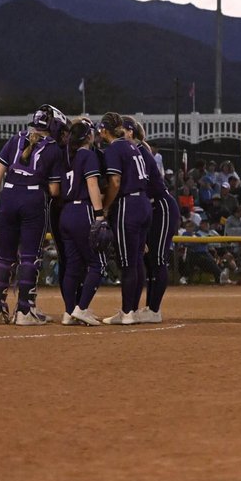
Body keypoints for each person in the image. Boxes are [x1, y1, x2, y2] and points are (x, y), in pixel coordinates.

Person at [0, 105, 67, 326]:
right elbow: (55, 190)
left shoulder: (15, 140)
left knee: (4, 257)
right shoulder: (54, 149)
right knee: (29, 256)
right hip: (33, 200)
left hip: (8, 197)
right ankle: (24, 311)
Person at [97, 111, 152, 326]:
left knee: (128, 262)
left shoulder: (114, 148)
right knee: (137, 260)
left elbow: (116, 182)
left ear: (104, 130)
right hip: (143, 203)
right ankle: (133, 310)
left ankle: (127, 312)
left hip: (129, 204)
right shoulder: (132, 145)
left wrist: (106, 207)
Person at [123, 116, 180, 323]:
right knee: (147, 259)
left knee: (158, 259)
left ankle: (154, 310)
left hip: (162, 206)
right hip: (150, 208)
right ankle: (146, 307)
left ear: (131, 132)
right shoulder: (134, 152)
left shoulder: (142, 152)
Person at [58, 117, 107, 326]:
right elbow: (93, 184)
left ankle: (69, 312)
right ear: (88, 136)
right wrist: (99, 215)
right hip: (82, 210)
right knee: (98, 264)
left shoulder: (66, 156)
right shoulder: (87, 155)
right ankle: (82, 308)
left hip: (66, 211)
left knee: (73, 265)